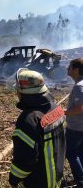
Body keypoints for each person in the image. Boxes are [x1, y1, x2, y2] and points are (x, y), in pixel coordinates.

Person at [9, 69, 65, 188]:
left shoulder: (29, 120)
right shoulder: (56, 108)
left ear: (22, 92)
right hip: (58, 174)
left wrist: (14, 178)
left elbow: (26, 160)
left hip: (41, 181)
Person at [64, 58, 83, 187]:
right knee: (80, 153)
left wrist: (64, 112)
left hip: (76, 128)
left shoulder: (79, 87)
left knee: (71, 153)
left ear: (76, 70)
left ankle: (81, 180)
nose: (67, 68)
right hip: (80, 127)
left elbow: (81, 107)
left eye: (70, 67)